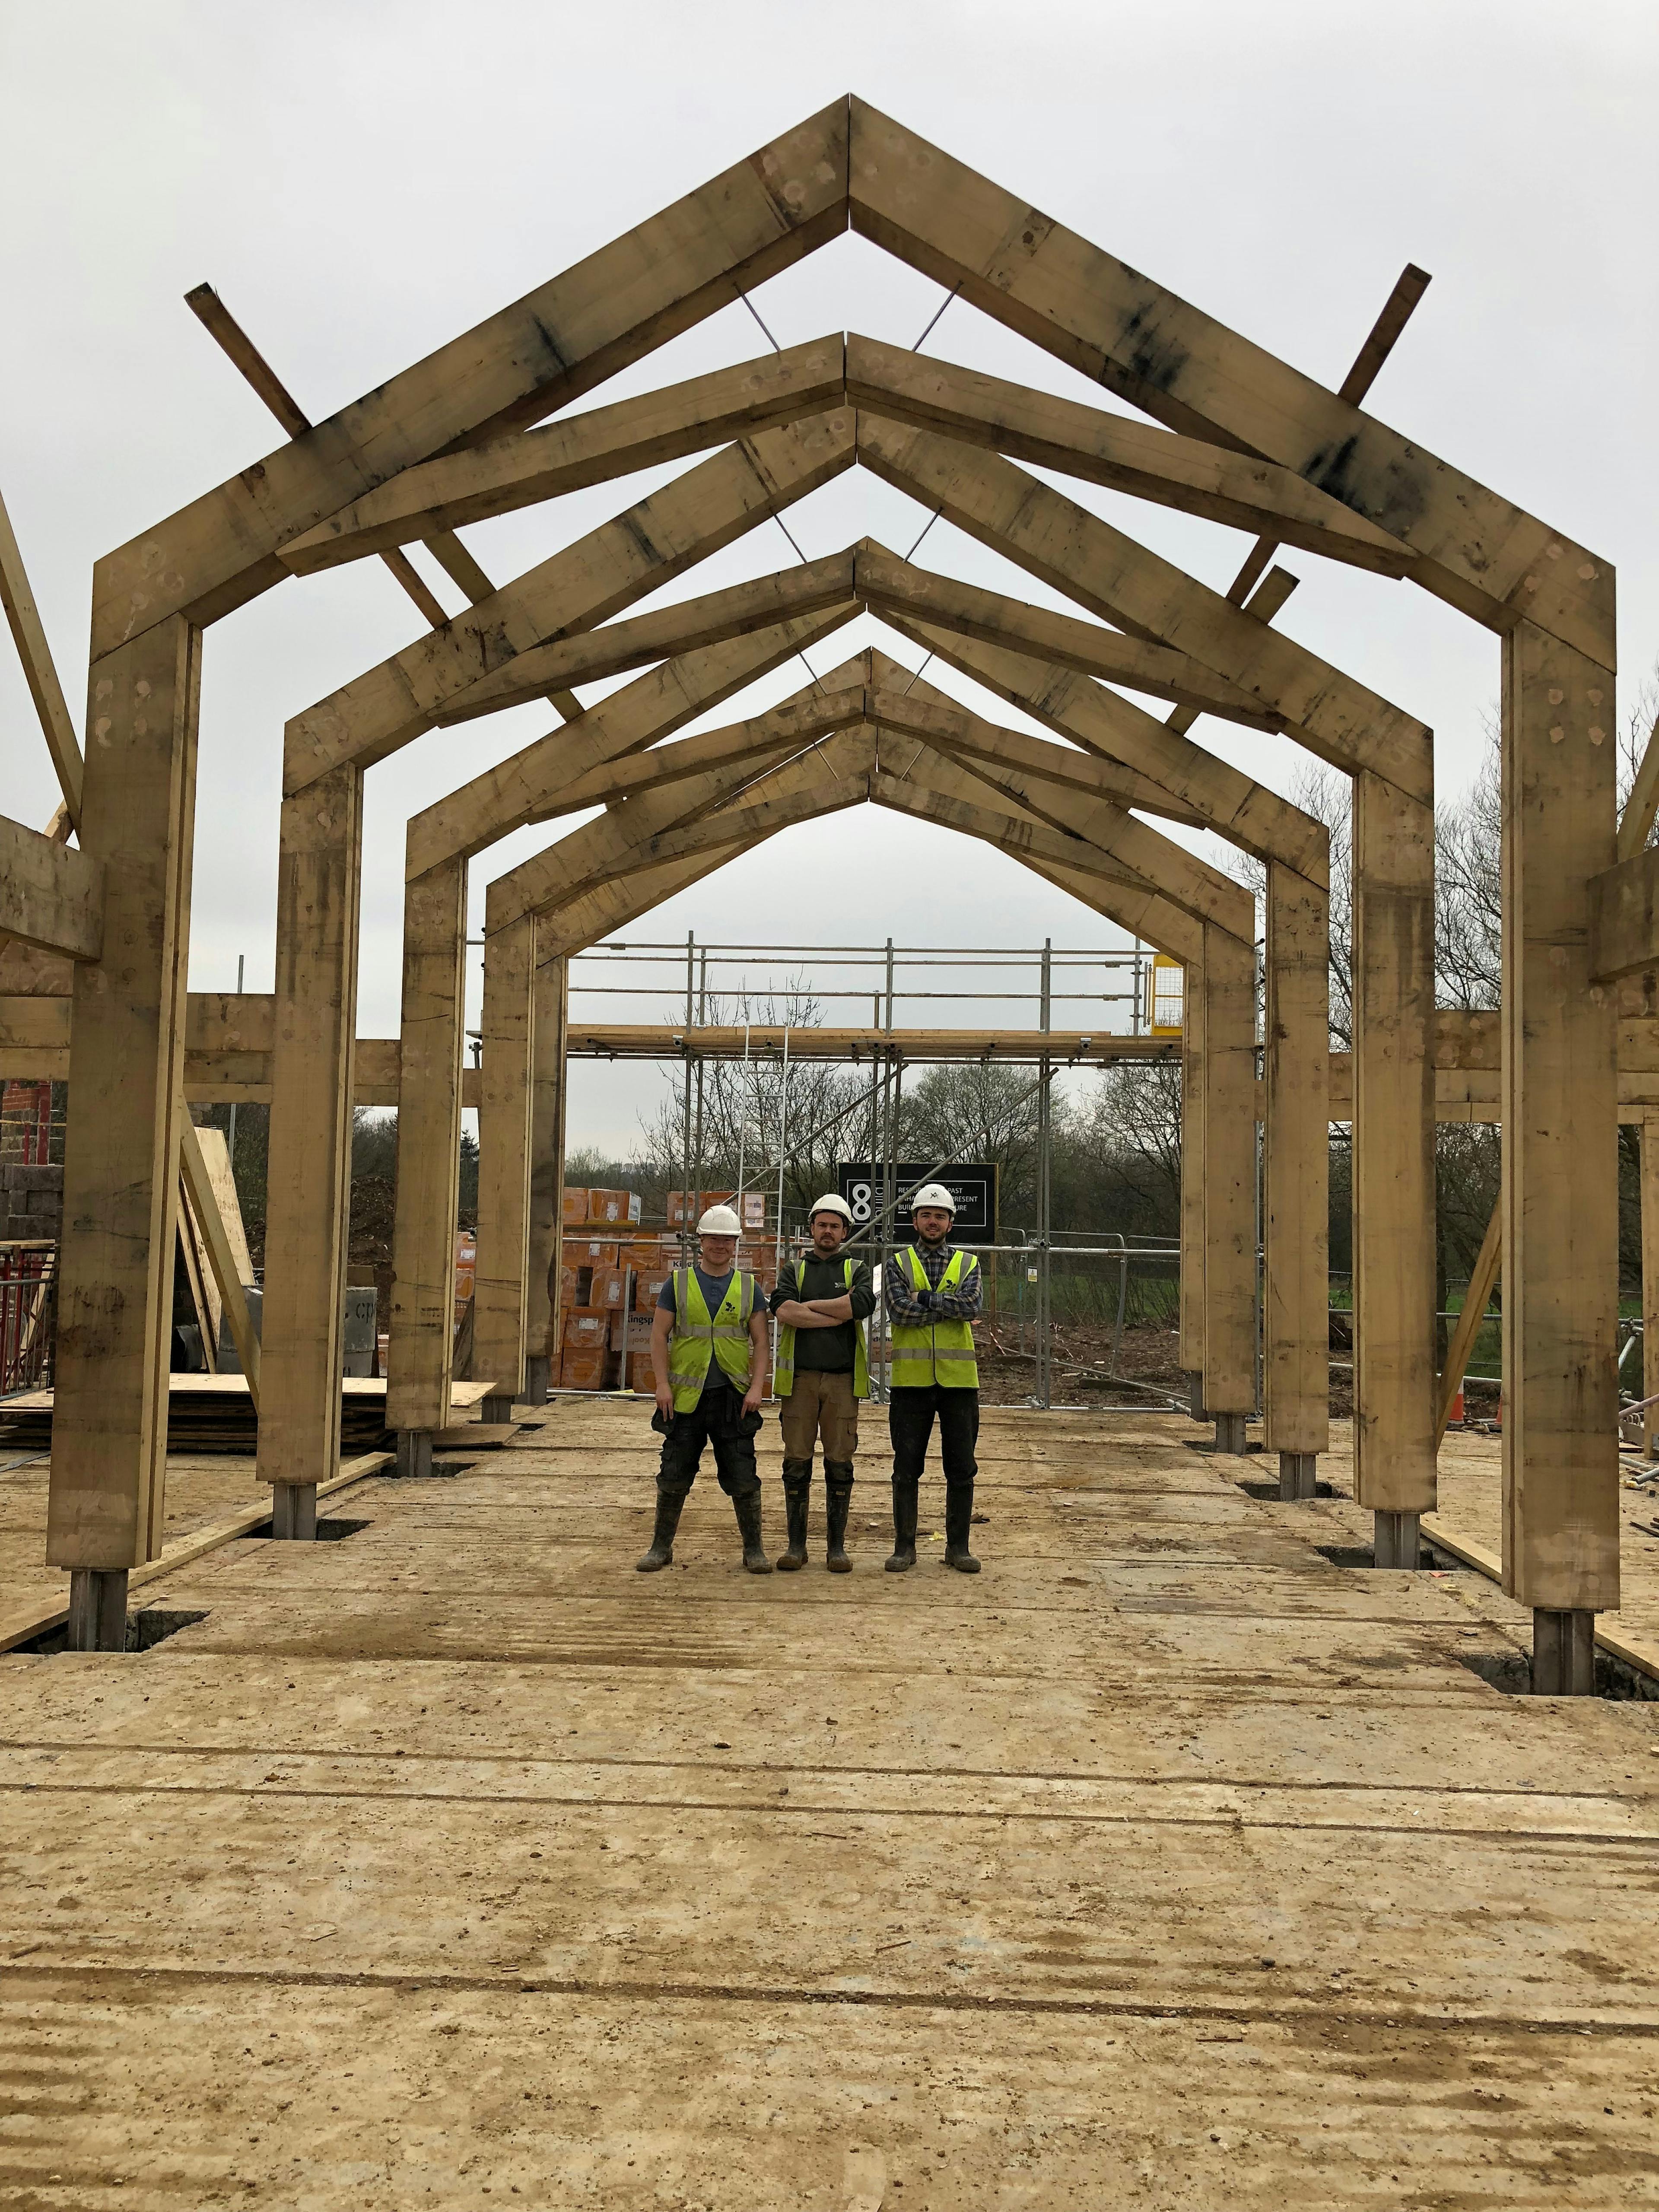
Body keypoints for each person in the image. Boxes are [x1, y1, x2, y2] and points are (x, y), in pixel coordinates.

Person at [638, 1204, 772, 1574]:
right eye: (713, 1238)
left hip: (733, 1398)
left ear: (735, 1245)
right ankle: (661, 1547)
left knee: (743, 1473)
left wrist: (757, 1387)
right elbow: (658, 1336)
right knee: (674, 1472)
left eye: (727, 1240)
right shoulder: (677, 1284)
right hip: (685, 1400)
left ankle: (754, 1550)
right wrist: (662, 1385)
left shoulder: (749, 1288)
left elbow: (761, 1343)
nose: (720, 1245)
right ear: (701, 1241)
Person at [769, 1192, 875, 1573]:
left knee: (839, 1462)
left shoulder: (857, 1270)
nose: (828, 1231)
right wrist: (836, 1314)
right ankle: (796, 1547)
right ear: (812, 1228)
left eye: (835, 1226)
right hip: (800, 1381)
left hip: (842, 1382)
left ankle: (836, 1548)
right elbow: (783, 1310)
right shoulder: (794, 1271)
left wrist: (808, 1308)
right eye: (822, 1225)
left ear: (845, 1231)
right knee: (796, 1461)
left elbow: (860, 1305)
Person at [883, 1182, 983, 1575]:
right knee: (907, 1466)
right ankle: (904, 1548)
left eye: (940, 1216)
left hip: (959, 1383)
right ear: (915, 1221)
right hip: (911, 1382)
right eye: (926, 1215)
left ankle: (958, 1548)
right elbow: (898, 1312)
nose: (933, 1221)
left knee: (961, 1467)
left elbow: (972, 1305)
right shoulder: (898, 1262)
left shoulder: (969, 1264)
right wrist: (947, 1306)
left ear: (950, 1223)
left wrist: (923, 1297)